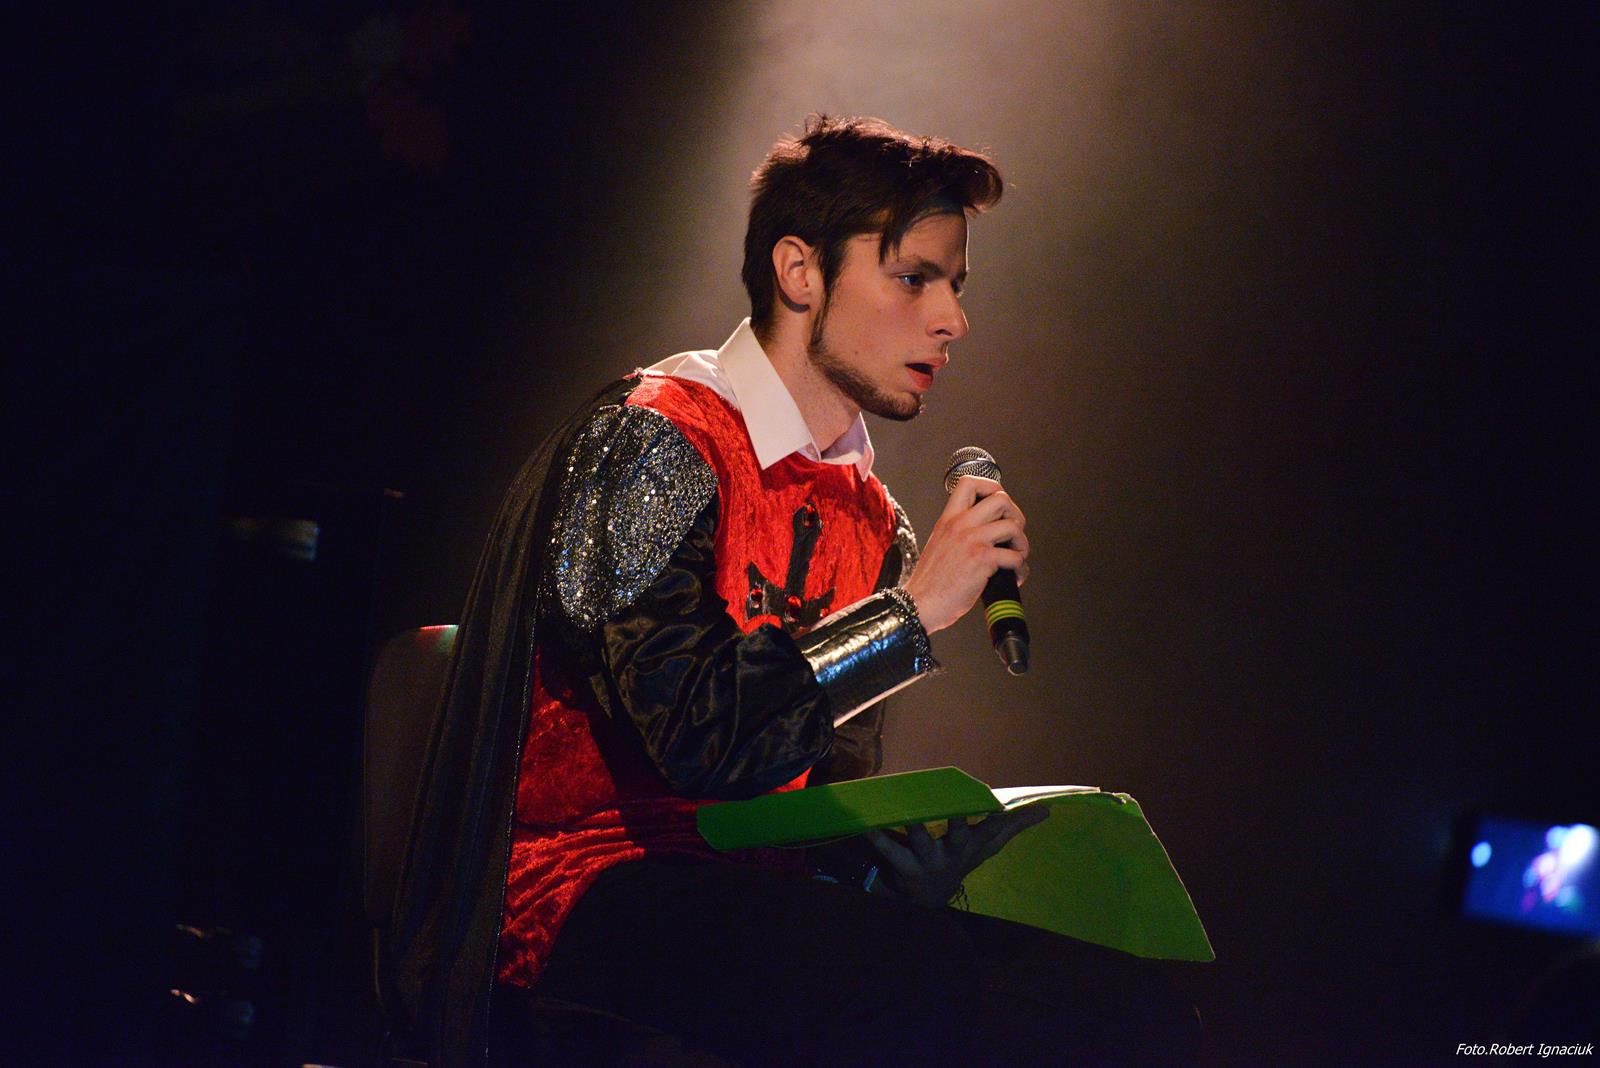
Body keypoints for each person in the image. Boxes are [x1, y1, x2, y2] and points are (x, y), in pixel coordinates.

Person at [388, 114, 1200, 1067]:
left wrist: (891, 871)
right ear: (800, 271)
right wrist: (907, 617)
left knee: (1120, 1005)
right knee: (902, 984)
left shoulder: (875, 521)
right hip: (580, 887)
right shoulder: (655, 440)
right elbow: (693, 738)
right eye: (915, 279)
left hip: (749, 898)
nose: (952, 320)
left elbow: (813, 798)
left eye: (956, 286)